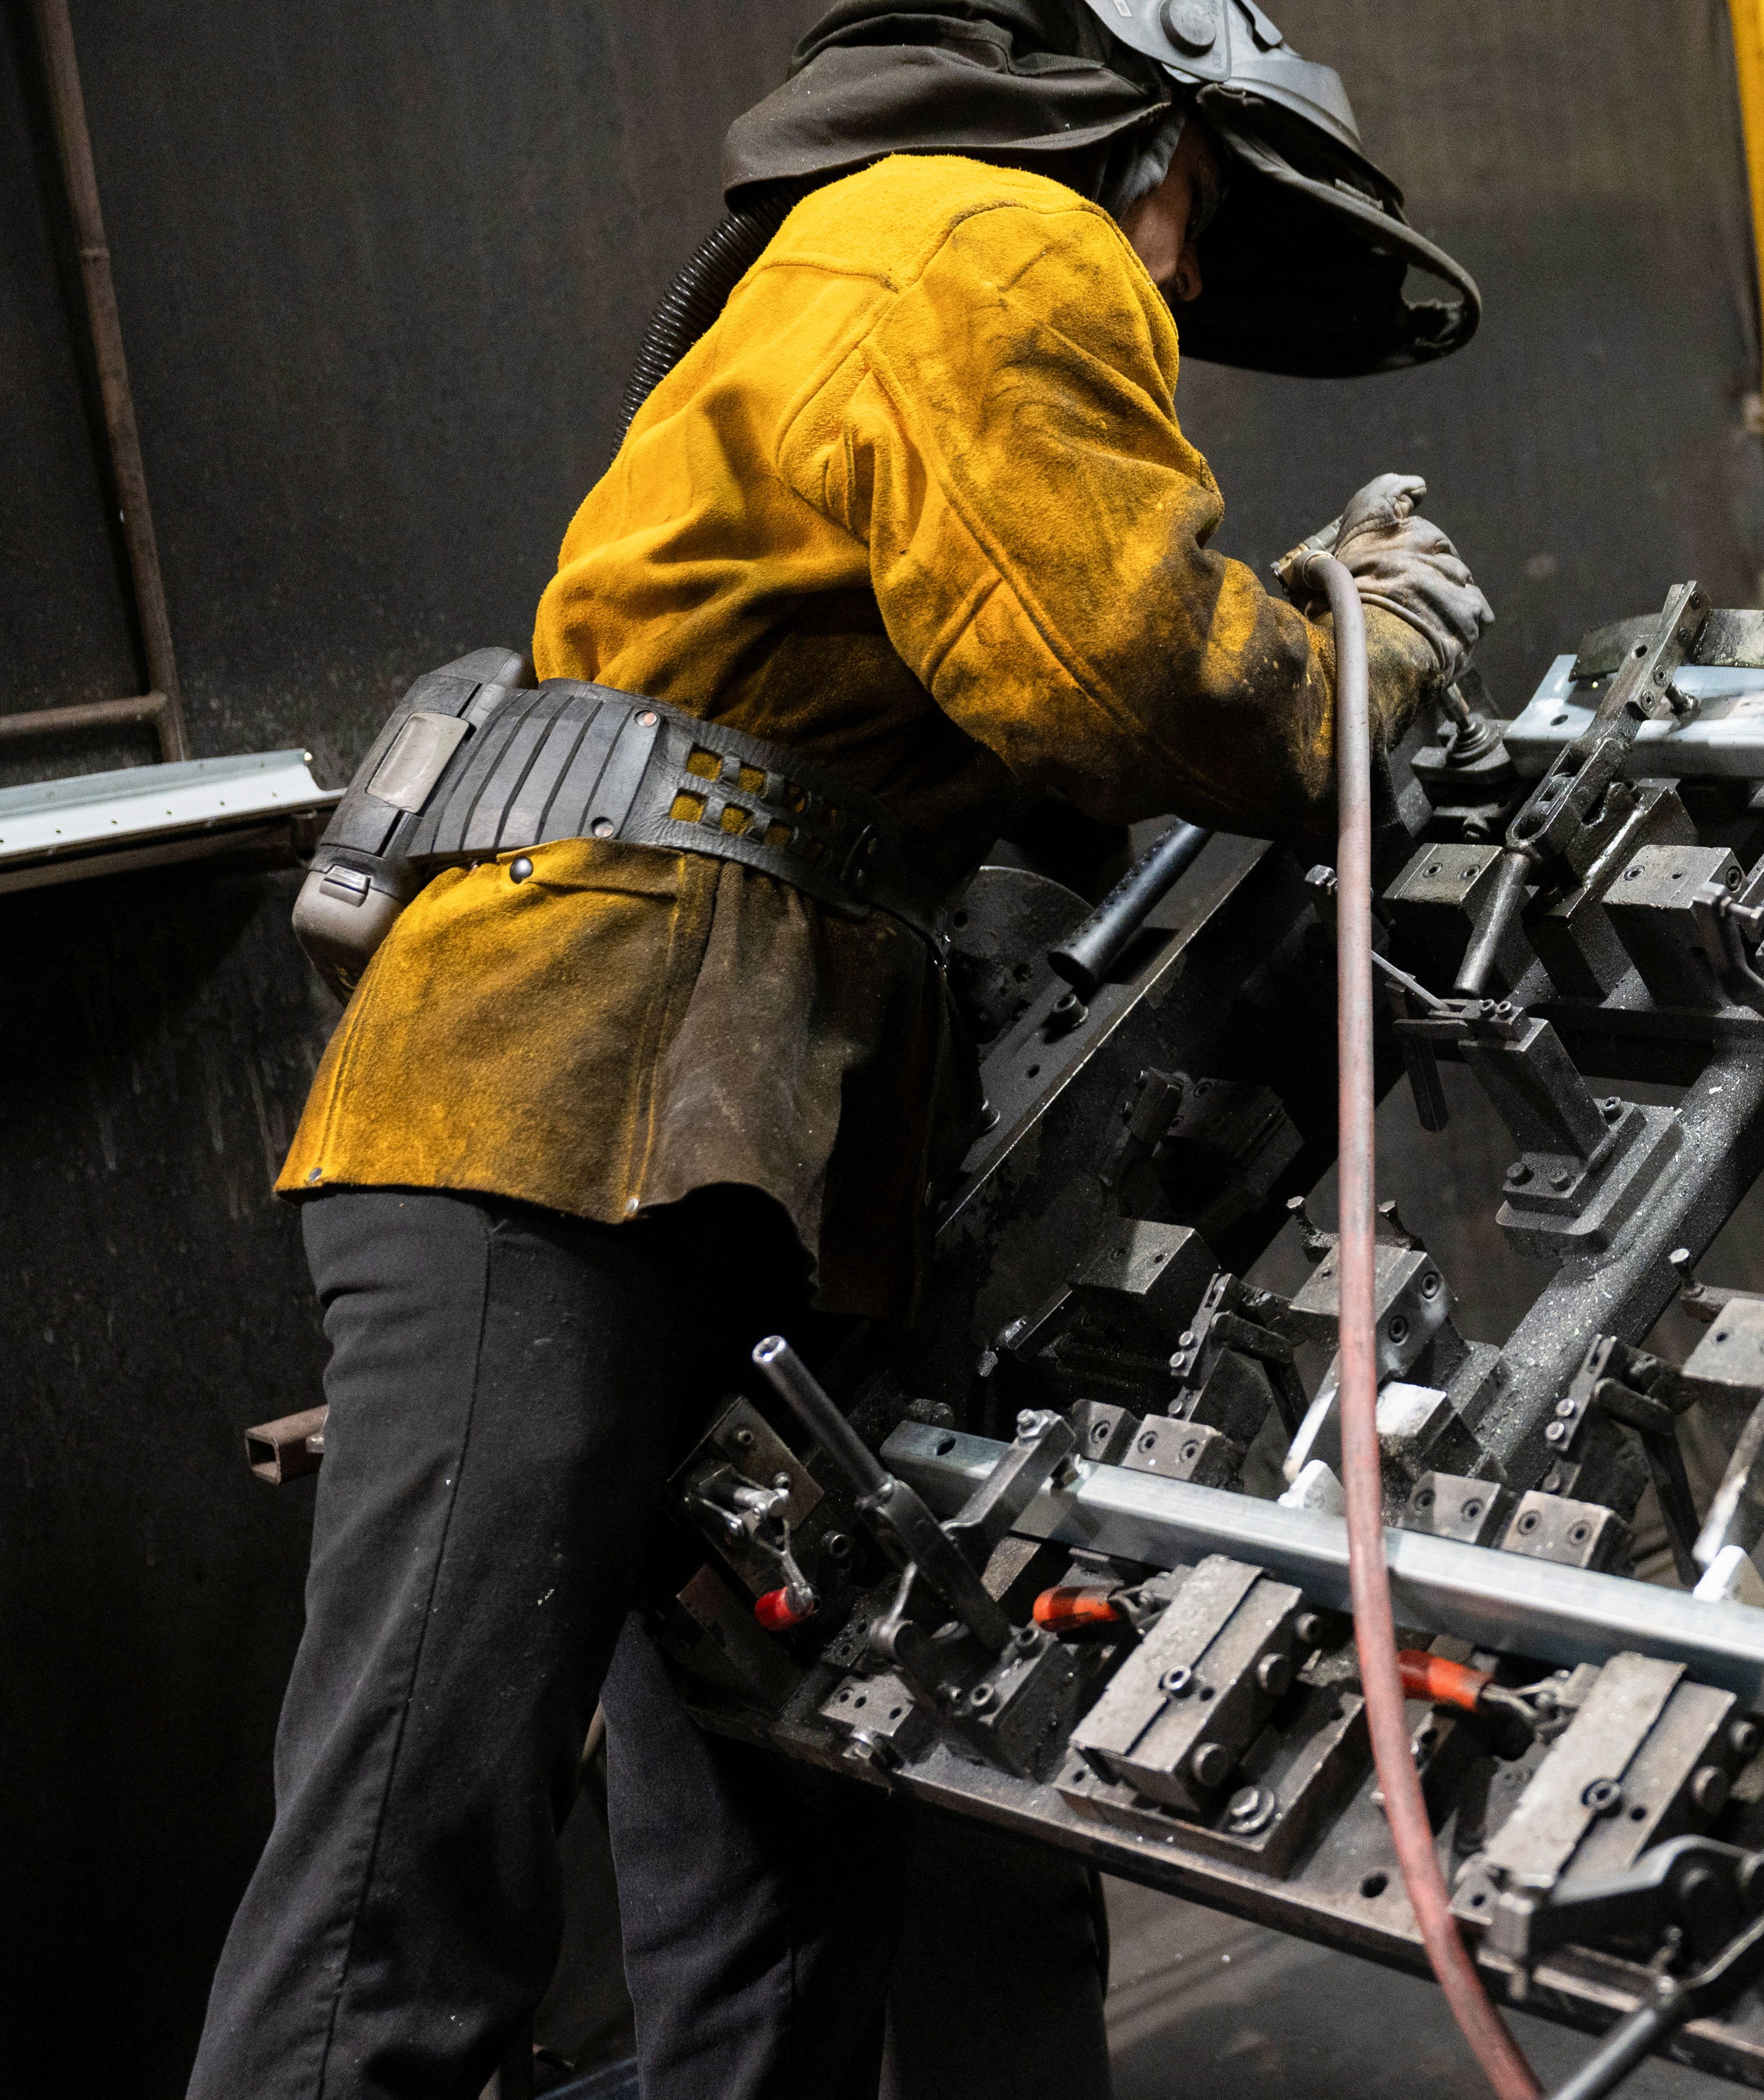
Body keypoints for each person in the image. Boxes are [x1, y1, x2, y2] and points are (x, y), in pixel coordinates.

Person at [190, 3, 1490, 2094]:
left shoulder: (858, 248)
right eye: (1200, 213)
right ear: (1149, 139)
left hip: (689, 1119)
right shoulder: (1002, 240)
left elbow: (974, 679)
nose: (1177, 272)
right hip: (580, 1096)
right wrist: (1373, 650)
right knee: (399, 1893)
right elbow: (1124, 680)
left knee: (780, 1869)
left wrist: (1281, 609)